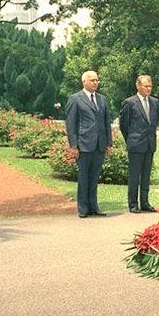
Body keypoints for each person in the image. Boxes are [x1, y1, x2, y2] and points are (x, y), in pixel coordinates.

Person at [65, 70, 113, 218]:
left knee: (94, 177)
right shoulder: (75, 99)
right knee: (84, 177)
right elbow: (71, 124)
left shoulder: (102, 99)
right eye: (92, 80)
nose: (95, 82)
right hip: (83, 145)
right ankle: (83, 208)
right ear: (84, 81)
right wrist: (73, 146)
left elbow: (106, 122)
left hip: (99, 145)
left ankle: (94, 206)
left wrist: (108, 143)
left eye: (97, 80)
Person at [119, 75, 159, 214]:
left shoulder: (154, 102)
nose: (149, 89)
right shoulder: (130, 103)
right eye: (146, 86)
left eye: (150, 86)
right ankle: (133, 203)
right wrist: (131, 139)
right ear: (138, 86)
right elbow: (124, 125)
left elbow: (154, 122)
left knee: (146, 176)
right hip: (136, 144)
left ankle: (145, 203)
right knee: (134, 176)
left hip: (149, 144)